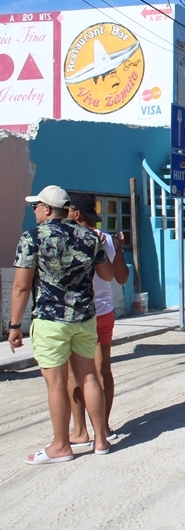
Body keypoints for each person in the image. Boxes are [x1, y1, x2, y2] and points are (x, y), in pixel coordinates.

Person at [8, 185, 113, 464]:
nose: (34, 211)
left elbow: (21, 287)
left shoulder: (33, 238)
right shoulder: (90, 237)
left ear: (47, 209)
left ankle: (61, 446)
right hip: (84, 318)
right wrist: (100, 246)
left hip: (50, 320)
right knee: (89, 375)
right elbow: (107, 274)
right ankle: (101, 440)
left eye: (36, 206)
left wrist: (14, 325)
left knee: (56, 384)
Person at [67, 194, 129, 446]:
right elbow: (122, 278)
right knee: (102, 371)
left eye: (69, 210)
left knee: (76, 374)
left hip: (78, 314)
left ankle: (81, 430)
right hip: (103, 312)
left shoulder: (68, 239)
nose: (66, 213)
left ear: (77, 214)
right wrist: (118, 249)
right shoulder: (108, 239)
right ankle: (103, 427)